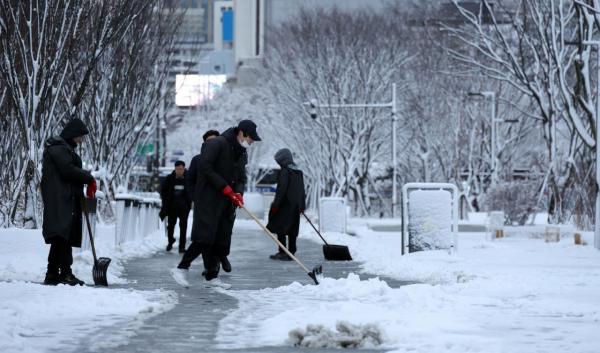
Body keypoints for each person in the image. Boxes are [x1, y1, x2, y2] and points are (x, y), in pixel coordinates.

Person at [171, 121, 260, 287]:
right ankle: (182, 267)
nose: (252, 142)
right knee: (205, 237)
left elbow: (241, 177)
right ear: (241, 133)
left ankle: (211, 277)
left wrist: (239, 193)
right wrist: (223, 186)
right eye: (251, 138)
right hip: (209, 199)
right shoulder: (217, 144)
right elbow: (205, 167)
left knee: (221, 238)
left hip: (227, 201)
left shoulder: (241, 153)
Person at [41, 118, 96, 286]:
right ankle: (65, 273)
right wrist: (88, 177)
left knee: (61, 236)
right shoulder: (58, 148)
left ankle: (53, 274)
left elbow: (70, 171)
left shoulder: (64, 149)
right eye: (80, 136)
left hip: (65, 197)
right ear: (72, 134)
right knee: (63, 235)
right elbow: (67, 171)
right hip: (60, 198)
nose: (82, 140)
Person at [267, 148, 306, 260]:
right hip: (296, 206)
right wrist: (302, 206)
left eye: (278, 161)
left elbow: (281, 190)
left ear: (283, 160)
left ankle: (283, 252)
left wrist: (275, 205)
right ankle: (291, 252)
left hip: (284, 205)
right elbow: (302, 191)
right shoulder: (298, 172)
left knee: (281, 229)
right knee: (292, 229)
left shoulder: (284, 172)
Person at [159, 161, 192, 253]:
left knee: (183, 227)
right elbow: (163, 190)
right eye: (177, 169)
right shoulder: (169, 179)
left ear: (184, 169)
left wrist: (190, 201)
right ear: (175, 169)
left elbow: (191, 190)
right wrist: (165, 201)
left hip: (184, 208)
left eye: (181, 169)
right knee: (170, 226)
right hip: (172, 207)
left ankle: (182, 247)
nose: (179, 171)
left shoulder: (188, 179)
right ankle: (170, 242)